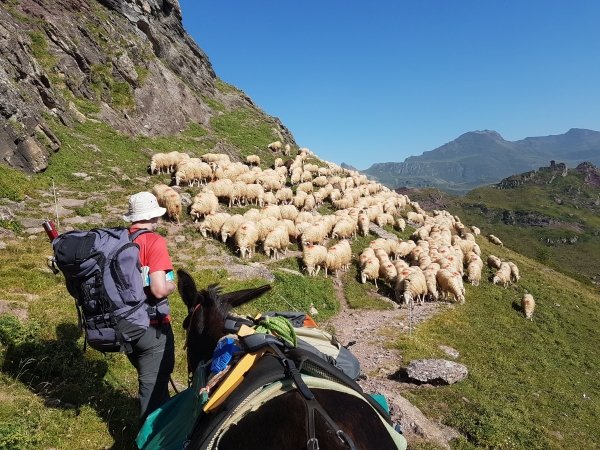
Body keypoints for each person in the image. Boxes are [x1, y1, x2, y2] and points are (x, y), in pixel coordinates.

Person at [122, 191, 176, 420]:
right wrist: (171, 285)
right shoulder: (153, 241)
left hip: (124, 324)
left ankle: (164, 423)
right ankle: (149, 439)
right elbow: (158, 289)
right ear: (154, 216)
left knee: (153, 378)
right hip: (150, 326)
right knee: (152, 389)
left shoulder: (122, 238)